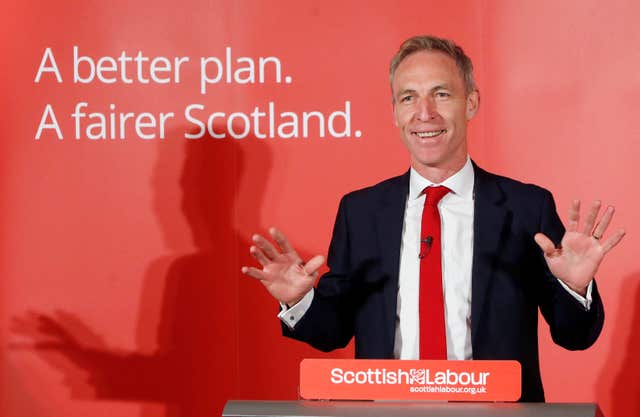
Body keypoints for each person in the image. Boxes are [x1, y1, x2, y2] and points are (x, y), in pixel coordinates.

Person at [241, 35, 625, 402]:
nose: (425, 113)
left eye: (441, 94)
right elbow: (333, 331)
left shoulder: (527, 207)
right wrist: (300, 301)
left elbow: (575, 336)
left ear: (471, 103)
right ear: (395, 112)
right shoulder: (361, 212)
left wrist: (575, 289)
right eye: (409, 97)